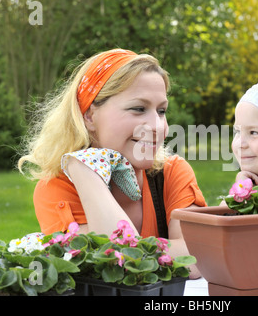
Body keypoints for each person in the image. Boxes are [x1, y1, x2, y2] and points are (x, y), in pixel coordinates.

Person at [18, 49, 206, 276]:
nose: (157, 126)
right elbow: (114, 267)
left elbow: (199, 259)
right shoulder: (59, 187)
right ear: (89, 116)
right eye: (138, 109)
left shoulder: (171, 172)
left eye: (162, 111)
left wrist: (134, 250)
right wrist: (84, 170)